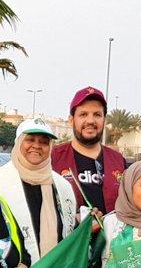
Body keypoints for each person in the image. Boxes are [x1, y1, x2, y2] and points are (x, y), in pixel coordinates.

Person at [0, 120, 77, 264]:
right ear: (19, 142)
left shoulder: (62, 186)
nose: (37, 146)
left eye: (44, 142)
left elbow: (67, 232)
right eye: (30, 140)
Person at [51, 87, 127, 217]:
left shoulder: (118, 160)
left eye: (97, 115)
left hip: (112, 236)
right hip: (69, 236)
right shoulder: (54, 158)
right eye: (83, 114)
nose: (90, 121)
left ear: (105, 120)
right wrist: (73, 219)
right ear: (71, 120)